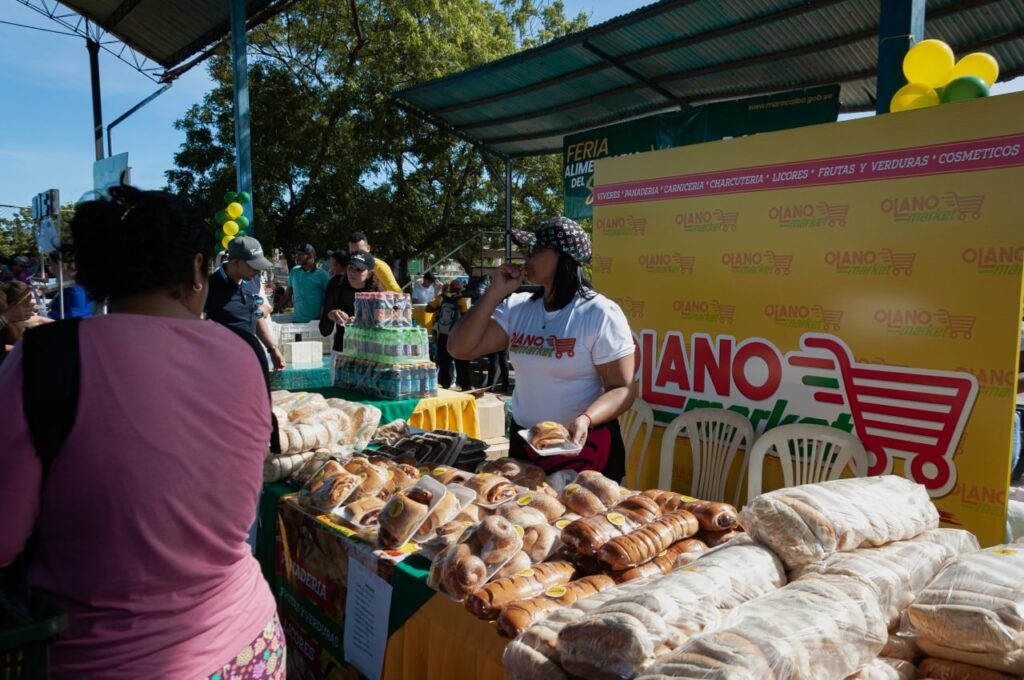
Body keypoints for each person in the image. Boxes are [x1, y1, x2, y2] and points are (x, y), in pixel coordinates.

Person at [0, 185, 285, 678]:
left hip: (104, 658)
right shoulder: (242, 353)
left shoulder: (44, 359)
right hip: (251, 647)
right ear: (197, 268)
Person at [448, 217, 635, 480]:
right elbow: (459, 348)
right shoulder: (519, 306)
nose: (526, 255)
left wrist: (587, 418)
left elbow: (623, 389)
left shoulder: (598, 312)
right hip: (526, 442)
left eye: (535, 249)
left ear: (563, 257)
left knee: (578, 509)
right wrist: (494, 293)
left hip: (580, 445)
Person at [205, 236, 286, 370]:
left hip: (249, 359)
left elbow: (255, 315)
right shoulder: (209, 288)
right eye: (253, 266)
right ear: (236, 262)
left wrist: (273, 349)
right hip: (221, 365)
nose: (257, 270)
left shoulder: (252, 280)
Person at [320, 250, 382, 352]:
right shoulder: (336, 285)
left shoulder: (378, 294)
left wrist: (363, 322)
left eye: (359, 269)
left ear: (369, 273)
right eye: (350, 268)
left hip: (370, 351)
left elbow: (384, 329)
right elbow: (324, 331)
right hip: (342, 349)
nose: (352, 273)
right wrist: (330, 314)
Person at [427, 279, 472, 391]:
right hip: (457, 336)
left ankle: (445, 384)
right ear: (459, 289)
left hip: (443, 335)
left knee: (444, 362)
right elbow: (466, 317)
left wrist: (438, 306)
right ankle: (464, 385)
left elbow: (427, 309)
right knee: (461, 361)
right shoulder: (461, 300)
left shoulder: (441, 298)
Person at [279, 243, 330, 323]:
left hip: (315, 324)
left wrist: (322, 315)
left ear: (310, 256)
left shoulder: (323, 275)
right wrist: (273, 310)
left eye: (301, 254)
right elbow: (287, 295)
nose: (297, 257)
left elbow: (330, 298)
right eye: (297, 254)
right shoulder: (294, 271)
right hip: (297, 322)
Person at [46, 249, 92, 320]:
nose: (50, 269)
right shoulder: (75, 284)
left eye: (52, 265)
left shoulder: (74, 288)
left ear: (63, 266)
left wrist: (47, 314)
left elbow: (74, 316)